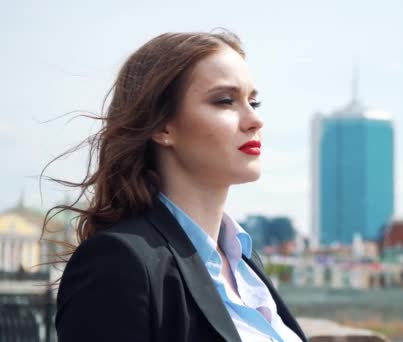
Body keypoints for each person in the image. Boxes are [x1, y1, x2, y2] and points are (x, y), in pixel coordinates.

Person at [48, 31, 307, 342]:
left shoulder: (245, 264)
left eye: (254, 101)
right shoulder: (119, 263)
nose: (254, 119)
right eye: (225, 101)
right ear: (161, 126)